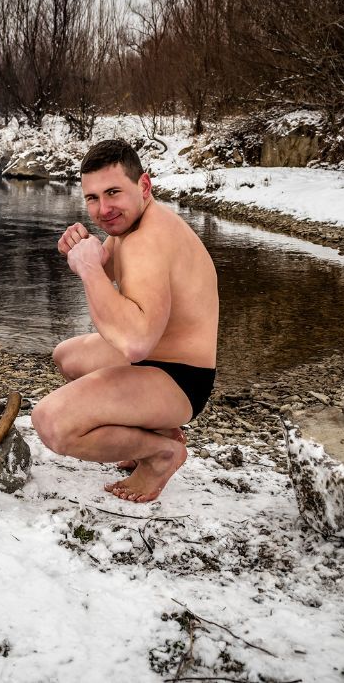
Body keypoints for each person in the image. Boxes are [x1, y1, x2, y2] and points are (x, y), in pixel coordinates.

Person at [31, 139, 219, 502]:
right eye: (92, 198)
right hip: (157, 358)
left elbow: (135, 343)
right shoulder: (132, 225)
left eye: (113, 192)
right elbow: (111, 273)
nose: (103, 209)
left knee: (52, 423)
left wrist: (88, 268)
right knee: (68, 356)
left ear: (144, 185)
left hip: (180, 379)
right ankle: (156, 432)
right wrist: (83, 250)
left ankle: (162, 453)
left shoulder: (149, 241)